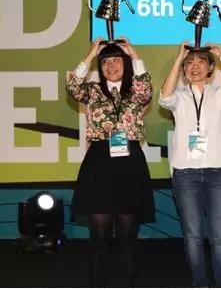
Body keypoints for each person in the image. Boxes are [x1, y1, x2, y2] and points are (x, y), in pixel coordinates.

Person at [66, 37, 154, 287]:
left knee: (127, 233)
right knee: (99, 233)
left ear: (126, 63)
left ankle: (129, 281)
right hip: (99, 163)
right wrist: (90, 53)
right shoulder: (92, 91)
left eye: (116, 60)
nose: (111, 65)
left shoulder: (136, 91)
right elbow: (72, 86)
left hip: (129, 162)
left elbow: (146, 90)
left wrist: (134, 54)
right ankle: (97, 282)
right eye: (105, 61)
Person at [159, 41, 221, 288]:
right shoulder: (178, 97)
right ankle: (200, 284)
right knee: (193, 237)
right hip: (185, 174)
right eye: (190, 63)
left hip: (218, 173)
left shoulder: (220, 94)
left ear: (211, 68)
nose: (195, 66)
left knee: (220, 237)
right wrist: (178, 59)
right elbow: (164, 97)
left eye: (201, 62)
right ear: (184, 69)